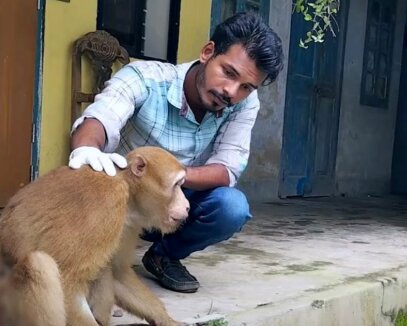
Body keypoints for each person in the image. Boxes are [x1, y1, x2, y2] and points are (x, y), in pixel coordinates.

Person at [68, 12, 284, 293]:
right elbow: (101, 117)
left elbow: (227, 169)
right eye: (229, 73)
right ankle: (100, 256)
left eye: (246, 86)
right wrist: (86, 148)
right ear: (208, 52)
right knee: (87, 269)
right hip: (123, 197)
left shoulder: (243, 103)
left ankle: (163, 255)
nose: (231, 91)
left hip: (177, 200)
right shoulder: (145, 78)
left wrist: (171, 177)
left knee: (232, 208)